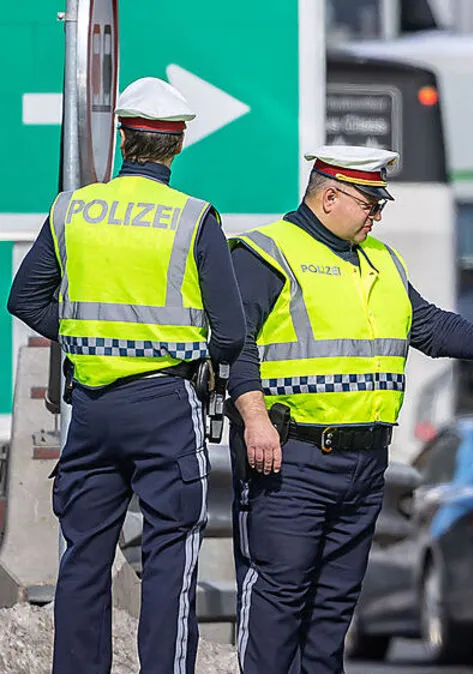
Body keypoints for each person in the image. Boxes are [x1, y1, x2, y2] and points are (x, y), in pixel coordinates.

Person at [226, 144, 473, 673]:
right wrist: (253, 417)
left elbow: (426, 325)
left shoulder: (381, 260)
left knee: (332, 613)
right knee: (278, 602)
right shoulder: (265, 253)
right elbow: (232, 343)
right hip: (290, 461)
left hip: (363, 466)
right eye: (369, 203)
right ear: (329, 196)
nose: (377, 215)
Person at [6, 77, 246, 674]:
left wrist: (86, 336)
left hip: (90, 409)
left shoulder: (73, 209)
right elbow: (232, 333)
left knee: (83, 554)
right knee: (171, 552)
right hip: (166, 403)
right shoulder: (194, 219)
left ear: (122, 138)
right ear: (179, 142)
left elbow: (26, 298)